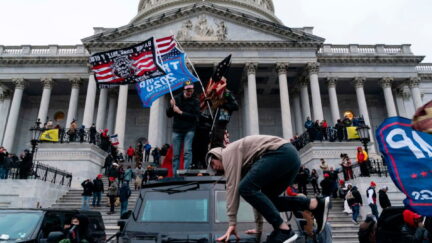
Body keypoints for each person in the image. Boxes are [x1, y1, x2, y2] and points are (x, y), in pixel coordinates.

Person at [206, 135, 330, 242]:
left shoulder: (228, 153)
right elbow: (258, 200)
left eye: (213, 163)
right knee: (267, 199)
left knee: (244, 188)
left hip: (281, 153)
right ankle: (314, 204)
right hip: (291, 158)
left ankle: (283, 230)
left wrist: (232, 223)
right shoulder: (243, 163)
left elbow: (232, 189)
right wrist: (259, 228)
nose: (214, 167)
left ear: (216, 155)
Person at [166, 81, 200, 175]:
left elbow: (196, 117)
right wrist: (171, 106)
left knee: (187, 151)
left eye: (191, 90)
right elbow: (169, 114)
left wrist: (181, 112)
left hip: (189, 129)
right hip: (177, 129)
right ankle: (175, 175)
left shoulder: (195, 101)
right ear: (184, 89)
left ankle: (186, 173)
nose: (189, 92)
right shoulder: (176, 99)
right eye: (187, 90)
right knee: (176, 154)